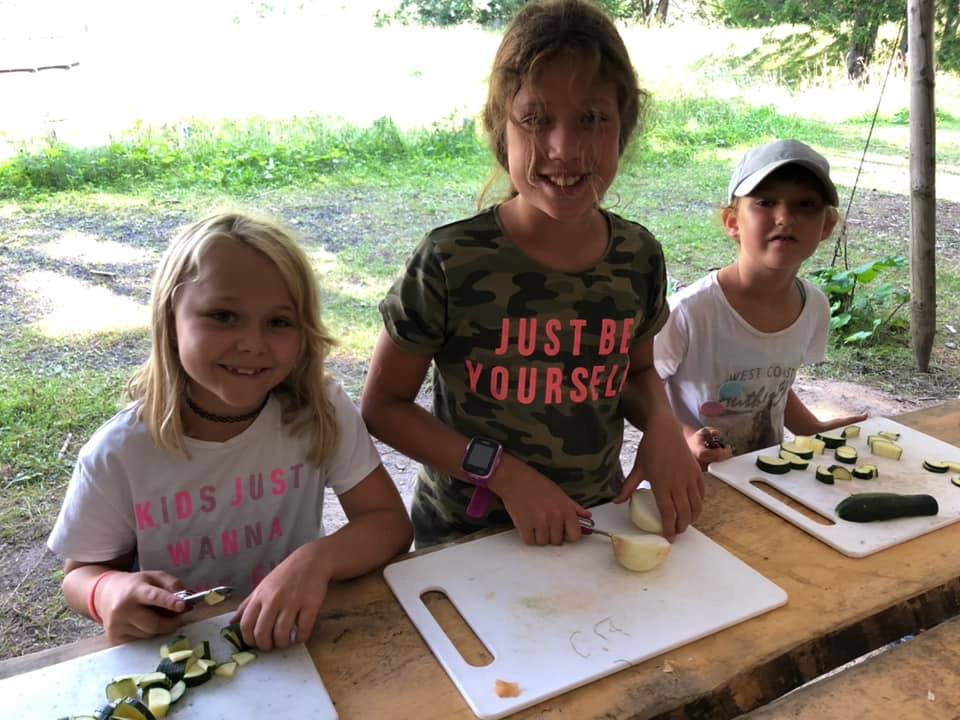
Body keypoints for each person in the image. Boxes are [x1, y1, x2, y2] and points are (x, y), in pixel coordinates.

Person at [361, 0, 703, 550]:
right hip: (465, 539)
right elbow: (384, 407)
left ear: (624, 128)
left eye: (592, 119)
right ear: (503, 129)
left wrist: (663, 428)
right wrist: (502, 473)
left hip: (593, 527)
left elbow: (638, 372)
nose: (564, 149)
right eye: (537, 119)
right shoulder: (448, 261)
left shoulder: (638, 256)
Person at [47, 211, 413, 650]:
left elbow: (389, 523)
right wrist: (107, 592)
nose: (252, 344)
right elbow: (80, 575)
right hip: (180, 648)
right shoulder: (121, 452)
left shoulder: (319, 410)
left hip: (291, 639)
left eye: (279, 322)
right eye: (222, 316)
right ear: (170, 320)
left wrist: (318, 560)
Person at [654, 139, 868, 469]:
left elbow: (770, 389)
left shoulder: (814, 308)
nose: (784, 218)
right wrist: (685, 438)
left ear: (826, 226)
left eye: (806, 205)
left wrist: (812, 428)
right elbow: (643, 390)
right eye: (765, 202)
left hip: (764, 473)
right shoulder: (689, 311)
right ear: (732, 222)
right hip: (690, 477)